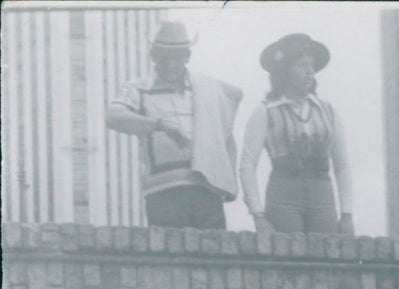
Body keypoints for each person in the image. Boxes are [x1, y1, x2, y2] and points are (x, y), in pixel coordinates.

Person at [106, 21, 242, 229]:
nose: (170, 64)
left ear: (187, 56)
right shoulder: (139, 88)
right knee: (172, 256)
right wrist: (160, 125)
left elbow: (226, 137)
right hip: (163, 191)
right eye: (164, 57)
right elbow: (114, 117)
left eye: (176, 57)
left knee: (214, 256)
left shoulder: (207, 88)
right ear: (154, 56)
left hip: (206, 188)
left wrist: (228, 177)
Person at [239, 32, 353, 235]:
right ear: (284, 71)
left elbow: (342, 166)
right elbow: (247, 165)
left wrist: (346, 214)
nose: (309, 72)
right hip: (283, 197)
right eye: (301, 65)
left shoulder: (328, 111)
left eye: (312, 66)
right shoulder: (266, 110)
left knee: (326, 258)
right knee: (288, 258)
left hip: (322, 198)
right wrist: (258, 215)